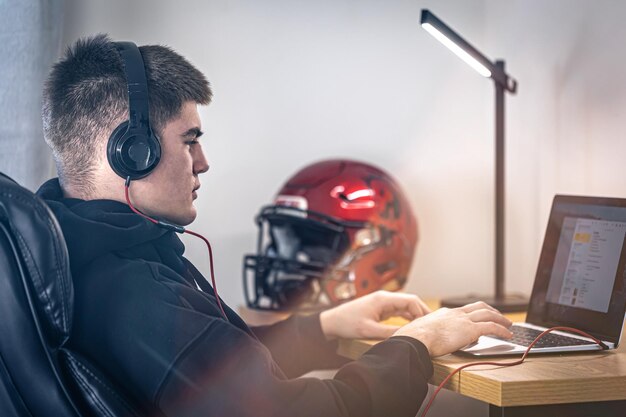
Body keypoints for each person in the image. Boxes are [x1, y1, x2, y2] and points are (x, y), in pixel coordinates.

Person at [37, 34, 512, 417]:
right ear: (131, 150)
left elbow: (215, 374)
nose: (203, 163)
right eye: (190, 140)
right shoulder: (132, 291)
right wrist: (417, 344)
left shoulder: (71, 252)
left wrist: (323, 329)